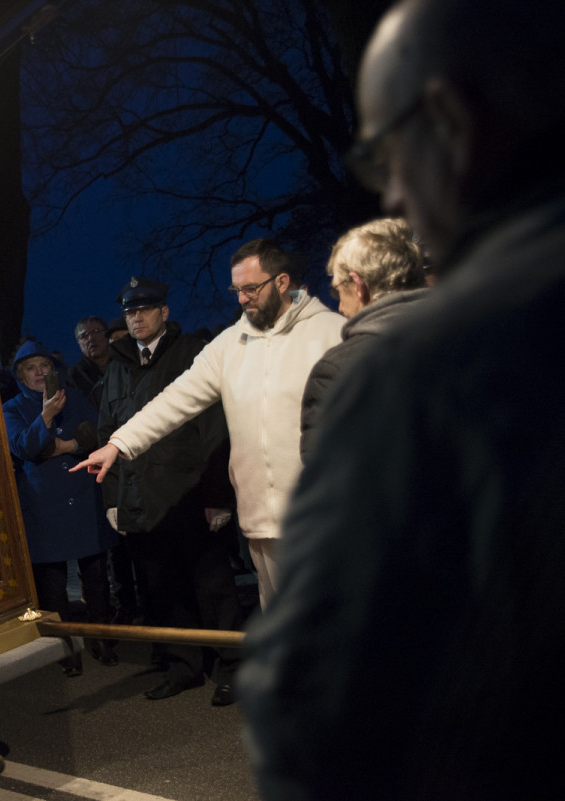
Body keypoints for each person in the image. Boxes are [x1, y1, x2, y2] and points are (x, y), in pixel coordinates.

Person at [237, 1, 565, 798]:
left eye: (387, 154)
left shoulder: (409, 373)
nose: (396, 194)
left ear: (449, 119)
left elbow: (313, 699)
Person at [74, 240, 343, 607]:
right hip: (260, 518)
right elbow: (175, 399)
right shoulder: (229, 344)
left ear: (282, 282)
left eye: (252, 288)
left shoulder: (330, 334)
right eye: (237, 290)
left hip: (322, 514)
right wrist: (119, 444)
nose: (243, 299)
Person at [98, 278, 241, 705]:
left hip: (190, 495)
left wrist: (216, 496)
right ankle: (183, 666)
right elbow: (108, 432)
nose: (136, 317)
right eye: (129, 311)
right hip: (142, 499)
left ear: (164, 312)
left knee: (214, 589)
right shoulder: (118, 365)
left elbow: (214, 430)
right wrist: (113, 502)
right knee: (164, 589)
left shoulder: (191, 354)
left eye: (145, 309)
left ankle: (232, 667)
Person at [4, 340, 117, 675]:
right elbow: (24, 447)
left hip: (83, 496)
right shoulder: (11, 409)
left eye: (45, 367)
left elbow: (95, 435)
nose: (40, 373)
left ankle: (104, 640)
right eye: (31, 368)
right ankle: (65, 651)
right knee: (52, 587)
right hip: (44, 507)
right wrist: (48, 416)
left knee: (96, 579)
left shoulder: (76, 397)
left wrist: (61, 445)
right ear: (21, 376)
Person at [299, 218, 429, 461]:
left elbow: (328, 484)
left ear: (359, 285)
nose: (339, 307)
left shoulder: (338, 372)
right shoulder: (478, 341)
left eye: (337, 290)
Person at [68, 315, 112, 406]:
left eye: (97, 331)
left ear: (107, 335)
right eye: (84, 335)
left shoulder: (124, 365)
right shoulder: (75, 375)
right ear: (79, 344)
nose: (91, 338)